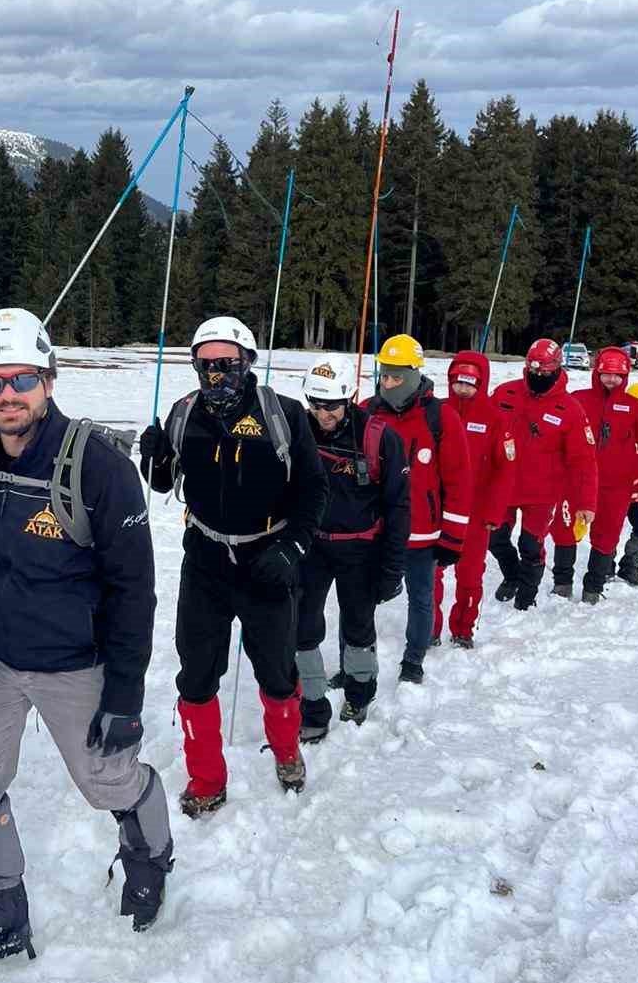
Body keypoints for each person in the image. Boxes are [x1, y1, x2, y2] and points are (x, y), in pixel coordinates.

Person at [0, 307, 171, 968]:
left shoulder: (99, 467)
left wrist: (124, 697)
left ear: (49, 380)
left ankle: (150, 854)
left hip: (75, 662)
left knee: (106, 781)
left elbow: (134, 592)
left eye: (23, 379)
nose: (8, 395)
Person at [140, 316, 327, 805]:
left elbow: (314, 491)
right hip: (205, 561)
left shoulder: (283, 414)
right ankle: (206, 781)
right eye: (205, 364)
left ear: (247, 362)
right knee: (196, 675)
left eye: (226, 363)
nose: (215, 374)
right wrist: (152, 457)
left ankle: (287, 751)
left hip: (268, 559)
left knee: (277, 672)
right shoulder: (185, 413)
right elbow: (162, 482)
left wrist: (292, 549)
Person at [294, 357, 409, 739]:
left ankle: (359, 694)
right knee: (302, 626)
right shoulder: (299, 431)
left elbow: (398, 507)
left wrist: (392, 569)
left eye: (330, 405)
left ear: (350, 396)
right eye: (314, 403)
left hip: (361, 549)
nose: (322, 413)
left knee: (358, 625)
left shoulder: (379, 438)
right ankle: (312, 706)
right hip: (311, 547)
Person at [360, 334, 472, 683]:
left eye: (395, 377)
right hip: (374, 530)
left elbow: (459, 481)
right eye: (384, 375)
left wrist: (453, 537)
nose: (387, 383)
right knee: (360, 600)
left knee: (421, 598)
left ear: (413, 375)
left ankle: (413, 660)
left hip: (422, 533)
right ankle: (358, 665)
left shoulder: (441, 417)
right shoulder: (366, 412)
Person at [490, 339, 598, 610]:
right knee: (494, 538)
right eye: (534, 370)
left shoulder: (570, 409)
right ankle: (512, 575)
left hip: (542, 492)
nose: (538, 376)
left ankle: (526, 597)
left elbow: (584, 461)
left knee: (530, 545)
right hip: (503, 486)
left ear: (557, 368)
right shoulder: (505, 393)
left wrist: (586, 502)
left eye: (545, 372)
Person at [546, 347, 638, 603]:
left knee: (607, 535)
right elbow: (555, 438)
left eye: (617, 375)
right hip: (575, 481)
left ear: (625, 376)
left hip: (616, 485)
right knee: (564, 530)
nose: (611, 379)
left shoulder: (635, 407)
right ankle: (562, 583)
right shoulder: (577, 399)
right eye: (606, 374)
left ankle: (593, 587)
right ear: (597, 372)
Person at [435, 351, 517, 646]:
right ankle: (429, 627)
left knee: (470, 575)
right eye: (458, 382)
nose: (462, 389)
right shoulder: (437, 411)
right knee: (431, 572)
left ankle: (463, 628)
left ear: (481, 384)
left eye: (470, 384)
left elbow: (505, 470)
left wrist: (495, 513)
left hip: (477, 512)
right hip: (439, 510)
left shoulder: (496, 418)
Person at [617, 382, 638, 585]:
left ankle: (630, 566)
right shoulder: (616, 425)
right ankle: (605, 567)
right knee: (608, 530)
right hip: (616, 488)